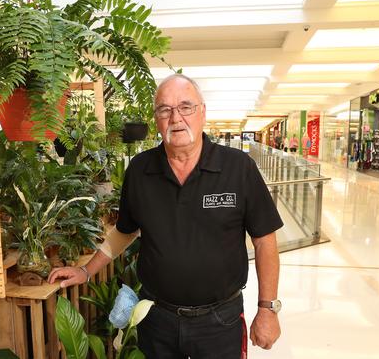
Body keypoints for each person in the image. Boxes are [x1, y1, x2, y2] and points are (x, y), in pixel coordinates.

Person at [49, 74, 283, 358]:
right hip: (157, 318)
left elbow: (264, 240)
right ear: (156, 120)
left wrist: (267, 309)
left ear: (202, 112)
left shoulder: (238, 168)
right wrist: (86, 270)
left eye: (186, 106)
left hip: (220, 321)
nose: (176, 117)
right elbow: (125, 231)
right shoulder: (140, 170)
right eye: (165, 109)